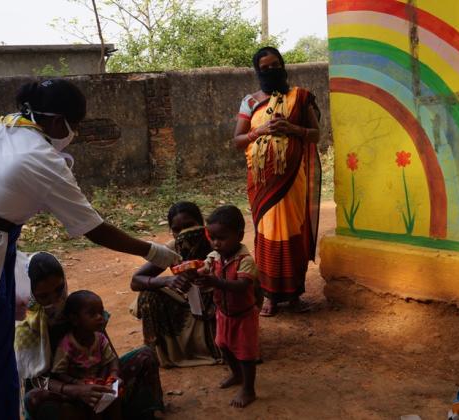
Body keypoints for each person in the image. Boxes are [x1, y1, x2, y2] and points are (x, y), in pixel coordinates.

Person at [0, 79, 179, 419]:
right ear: (57, 122)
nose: (73, 133)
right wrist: (153, 252)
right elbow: (93, 229)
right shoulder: (42, 159)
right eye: (75, 125)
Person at [15, 252, 164, 420]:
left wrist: (110, 380)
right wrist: (76, 389)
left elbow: (109, 355)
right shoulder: (25, 328)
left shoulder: (78, 308)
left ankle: (142, 413)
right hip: (63, 394)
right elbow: (35, 381)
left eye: (58, 289)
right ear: (31, 294)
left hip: (98, 386)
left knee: (145, 356)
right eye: (43, 296)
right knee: (35, 399)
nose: (54, 299)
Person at [232, 46, 321, 317]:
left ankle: (294, 296)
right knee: (268, 235)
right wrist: (258, 131)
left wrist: (291, 129)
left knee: (294, 233)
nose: (271, 71)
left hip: (293, 180)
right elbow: (236, 141)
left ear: (283, 66)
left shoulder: (301, 97)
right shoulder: (250, 102)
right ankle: (269, 296)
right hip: (262, 185)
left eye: (275, 65)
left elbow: (316, 134)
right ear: (258, 72)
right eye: (265, 68)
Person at [131, 201, 220, 367]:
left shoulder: (217, 241)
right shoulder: (172, 249)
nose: (183, 233)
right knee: (148, 295)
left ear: (201, 224)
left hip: (219, 305)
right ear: (171, 231)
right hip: (189, 308)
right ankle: (161, 353)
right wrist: (167, 280)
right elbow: (136, 281)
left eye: (189, 226)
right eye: (177, 230)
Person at [193, 205, 260, 408]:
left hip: (244, 315)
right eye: (212, 237)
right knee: (223, 345)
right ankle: (236, 374)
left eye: (221, 238)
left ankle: (249, 389)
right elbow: (204, 269)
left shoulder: (245, 260)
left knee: (246, 353)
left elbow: (241, 286)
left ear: (239, 236)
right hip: (223, 313)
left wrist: (215, 282)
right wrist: (196, 273)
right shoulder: (214, 257)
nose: (215, 243)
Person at [51, 290, 122, 419]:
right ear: (75, 319)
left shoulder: (100, 338)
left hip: (99, 383)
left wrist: (113, 375)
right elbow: (59, 372)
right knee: (92, 407)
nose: (100, 317)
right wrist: (77, 383)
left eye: (100, 312)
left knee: (114, 399)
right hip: (79, 389)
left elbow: (111, 359)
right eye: (92, 314)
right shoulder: (67, 344)